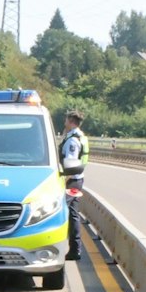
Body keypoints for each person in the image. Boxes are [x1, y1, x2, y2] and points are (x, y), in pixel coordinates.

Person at [59, 110, 88, 261]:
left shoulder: (72, 140)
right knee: (73, 213)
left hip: (72, 180)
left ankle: (70, 248)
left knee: (59, 210)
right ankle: (75, 250)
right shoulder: (79, 136)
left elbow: (70, 163)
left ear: (71, 120)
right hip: (78, 179)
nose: (65, 122)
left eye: (66, 120)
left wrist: (64, 180)